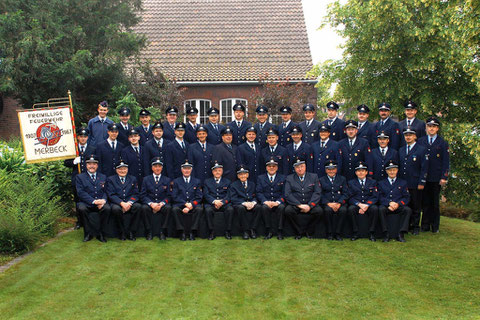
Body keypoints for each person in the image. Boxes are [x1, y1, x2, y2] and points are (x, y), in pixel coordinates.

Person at [417, 116, 449, 233]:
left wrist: (444, 177)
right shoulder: (421, 141)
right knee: (425, 202)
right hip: (424, 177)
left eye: (434, 127)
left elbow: (446, 162)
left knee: (434, 203)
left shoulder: (442, 143)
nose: (431, 129)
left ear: (437, 129)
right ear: (426, 128)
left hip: (436, 178)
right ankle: (425, 225)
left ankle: (435, 226)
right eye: (429, 126)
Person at [398, 127, 429, 235]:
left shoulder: (421, 149)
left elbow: (424, 168)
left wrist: (422, 182)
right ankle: (406, 225)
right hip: (403, 183)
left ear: (415, 136)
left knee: (416, 206)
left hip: (415, 182)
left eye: (410, 135)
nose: (408, 137)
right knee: (406, 205)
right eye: (406, 135)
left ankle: (415, 226)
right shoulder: (401, 150)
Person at [284, 157, 324, 239]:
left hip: (309, 203)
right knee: (288, 211)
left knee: (319, 211)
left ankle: (309, 231)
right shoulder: (289, 178)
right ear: (294, 168)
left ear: (305, 166)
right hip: (296, 204)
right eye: (297, 167)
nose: (300, 169)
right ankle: (299, 231)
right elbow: (288, 194)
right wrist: (299, 205)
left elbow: (317, 192)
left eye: (302, 166)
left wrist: (310, 206)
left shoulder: (314, 177)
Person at [64, 127, 95, 229]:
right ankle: (79, 221)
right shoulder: (73, 149)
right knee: (78, 201)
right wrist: (73, 162)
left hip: (88, 179)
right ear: (77, 137)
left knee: (89, 199)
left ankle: (89, 220)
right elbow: (66, 163)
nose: (83, 139)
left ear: (87, 137)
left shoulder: (92, 148)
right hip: (76, 179)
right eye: (81, 136)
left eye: (85, 136)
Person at [75, 154, 111, 243]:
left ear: (97, 165)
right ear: (86, 165)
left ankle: (100, 233)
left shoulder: (103, 176)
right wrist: (94, 201)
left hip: (100, 202)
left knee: (107, 208)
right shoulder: (80, 177)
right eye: (89, 164)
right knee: (81, 208)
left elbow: (106, 191)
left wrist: (103, 201)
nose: (92, 166)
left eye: (94, 164)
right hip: (87, 202)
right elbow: (80, 193)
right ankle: (88, 233)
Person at [106, 160, 141, 241]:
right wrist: (121, 203)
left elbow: (136, 194)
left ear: (127, 169)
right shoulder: (111, 179)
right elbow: (111, 194)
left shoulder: (133, 178)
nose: (122, 171)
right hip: (117, 202)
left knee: (138, 207)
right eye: (120, 169)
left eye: (124, 169)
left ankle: (131, 231)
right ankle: (122, 232)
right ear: (116, 170)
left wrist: (129, 203)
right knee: (116, 209)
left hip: (129, 202)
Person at [378, 160, 412, 242]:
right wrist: (389, 203)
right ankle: (386, 233)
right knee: (380, 209)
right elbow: (379, 196)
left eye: (394, 170)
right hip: (387, 205)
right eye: (390, 170)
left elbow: (407, 197)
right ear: (386, 171)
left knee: (408, 210)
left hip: (398, 205)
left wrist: (398, 204)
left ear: (397, 170)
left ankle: (401, 233)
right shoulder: (381, 183)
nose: (392, 172)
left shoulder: (403, 182)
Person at [140, 157, 172, 240]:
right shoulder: (146, 179)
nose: (157, 168)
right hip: (151, 203)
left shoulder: (167, 180)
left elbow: (169, 196)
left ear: (162, 167)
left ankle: (162, 231)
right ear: (152, 168)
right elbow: (143, 195)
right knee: (144, 208)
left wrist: (161, 203)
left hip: (161, 203)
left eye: (159, 166)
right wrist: (151, 204)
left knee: (168, 208)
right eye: (155, 166)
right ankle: (149, 231)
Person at [347, 161, 379, 241]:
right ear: (356, 172)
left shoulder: (373, 182)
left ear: (366, 172)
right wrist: (359, 204)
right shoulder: (351, 182)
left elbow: (375, 196)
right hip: (357, 204)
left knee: (375, 209)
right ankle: (355, 232)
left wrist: (367, 205)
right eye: (358, 171)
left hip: (368, 204)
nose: (361, 173)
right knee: (350, 209)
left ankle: (371, 232)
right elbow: (350, 197)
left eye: (363, 171)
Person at [171, 160, 203, 241]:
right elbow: (174, 196)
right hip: (181, 204)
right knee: (175, 209)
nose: (186, 170)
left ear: (191, 170)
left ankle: (192, 231)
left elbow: (199, 197)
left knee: (199, 209)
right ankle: (182, 232)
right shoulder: (176, 181)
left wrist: (191, 205)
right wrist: (185, 204)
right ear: (181, 170)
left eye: (188, 169)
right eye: (185, 169)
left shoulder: (197, 181)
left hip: (192, 204)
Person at [256, 157, 287, 240]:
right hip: (267, 202)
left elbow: (285, 193)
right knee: (264, 208)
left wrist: (278, 202)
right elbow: (259, 192)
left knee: (281, 207)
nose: (271, 168)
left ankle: (280, 231)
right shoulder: (260, 178)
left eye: (274, 166)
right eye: (269, 166)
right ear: (266, 168)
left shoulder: (283, 178)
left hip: (278, 202)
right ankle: (269, 230)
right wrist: (265, 201)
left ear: (277, 167)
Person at [203, 161, 234, 240]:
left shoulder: (227, 181)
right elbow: (206, 194)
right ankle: (211, 232)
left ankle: (228, 231)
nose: (217, 172)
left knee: (230, 209)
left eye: (219, 170)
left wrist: (222, 202)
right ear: (212, 172)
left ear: (222, 171)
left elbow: (229, 195)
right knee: (208, 210)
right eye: (215, 170)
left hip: (224, 203)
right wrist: (214, 201)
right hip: (212, 203)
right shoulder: (207, 181)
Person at [227, 165, 260, 239]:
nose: (243, 176)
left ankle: (252, 229)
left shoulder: (252, 184)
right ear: (238, 176)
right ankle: (245, 230)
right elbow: (233, 198)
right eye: (240, 174)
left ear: (248, 175)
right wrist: (244, 203)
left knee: (258, 207)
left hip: (251, 203)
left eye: (244, 174)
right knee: (240, 208)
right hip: (240, 204)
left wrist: (253, 202)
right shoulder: (233, 185)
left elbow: (256, 195)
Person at [320, 160, 348, 241]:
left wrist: (339, 203)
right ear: (326, 170)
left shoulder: (342, 179)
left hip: (339, 203)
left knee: (343, 210)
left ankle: (338, 233)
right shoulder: (321, 180)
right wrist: (328, 203)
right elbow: (320, 194)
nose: (331, 171)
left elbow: (345, 193)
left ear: (336, 169)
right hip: (328, 204)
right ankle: (329, 233)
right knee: (327, 211)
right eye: (329, 169)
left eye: (333, 169)